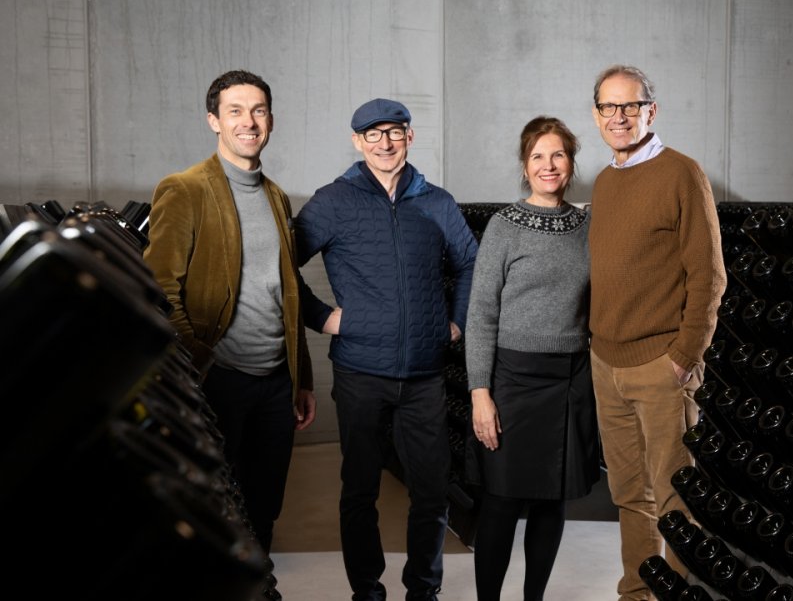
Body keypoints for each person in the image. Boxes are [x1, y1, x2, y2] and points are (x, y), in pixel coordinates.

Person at [295, 97, 478, 601]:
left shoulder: (436, 201)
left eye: (394, 132)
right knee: (359, 491)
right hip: (359, 372)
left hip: (424, 376)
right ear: (357, 142)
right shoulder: (333, 201)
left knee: (432, 492)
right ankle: (367, 590)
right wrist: (324, 317)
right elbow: (282, 269)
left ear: (410, 137)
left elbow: (470, 263)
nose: (385, 143)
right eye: (372, 134)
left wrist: (457, 323)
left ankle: (423, 588)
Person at [144, 69, 317, 556]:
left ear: (271, 121)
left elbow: (288, 292)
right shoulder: (185, 189)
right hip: (219, 378)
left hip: (275, 382)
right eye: (235, 111)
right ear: (213, 121)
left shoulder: (276, 196)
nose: (249, 121)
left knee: (264, 509)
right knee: (212, 511)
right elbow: (158, 290)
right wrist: (203, 359)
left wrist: (300, 377)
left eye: (258, 111)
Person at [587, 65, 727, 600]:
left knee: (676, 495)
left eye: (630, 105)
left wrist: (684, 354)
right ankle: (639, 593)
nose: (619, 117)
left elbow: (709, 275)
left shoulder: (682, 174)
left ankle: (681, 593)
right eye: (608, 107)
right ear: (597, 114)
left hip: (660, 365)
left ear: (651, 109)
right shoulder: (605, 179)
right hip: (607, 362)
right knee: (629, 493)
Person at [464, 116, 601, 601]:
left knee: (551, 502)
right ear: (525, 165)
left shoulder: (589, 224)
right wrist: (481, 393)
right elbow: (480, 314)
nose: (549, 165)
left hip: (570, 380)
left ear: (571, 162)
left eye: (558, 155)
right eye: (538, 156)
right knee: (500, 502)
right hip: (513, 380)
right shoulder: (504, 226)